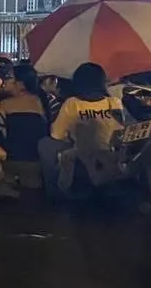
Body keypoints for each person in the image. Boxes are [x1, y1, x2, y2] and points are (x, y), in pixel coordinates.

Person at [38, 62, 124, 197]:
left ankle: (55, 193)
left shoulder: (72, 104)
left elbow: (56, 135)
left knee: (45, 145)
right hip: (112, 154)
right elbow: (120, 130)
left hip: (82, 154)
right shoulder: (114, 102)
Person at [0, 64, 49, 187]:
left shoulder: (4, 104)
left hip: (10, 161)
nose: (4, 81)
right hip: (36, 161)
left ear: (20, 84)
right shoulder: (40, 101)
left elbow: (1, 133)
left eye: (9, 78)